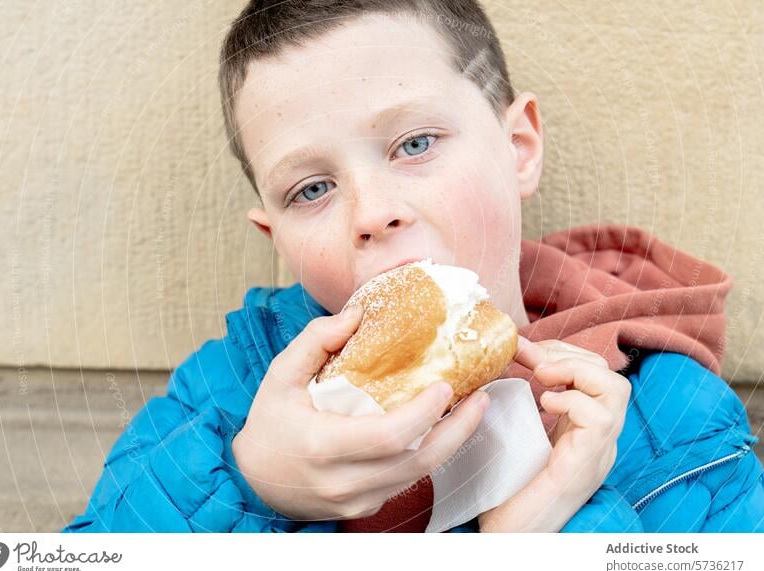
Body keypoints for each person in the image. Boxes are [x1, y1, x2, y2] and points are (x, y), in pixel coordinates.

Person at [62, 0, 763, 533]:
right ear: (276, 238)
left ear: (518, 147)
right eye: (312, 189)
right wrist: (250, 486)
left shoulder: (673, 419)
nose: (371, 212)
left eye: (415, 143)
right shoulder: (224, 398)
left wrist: (550, 539)